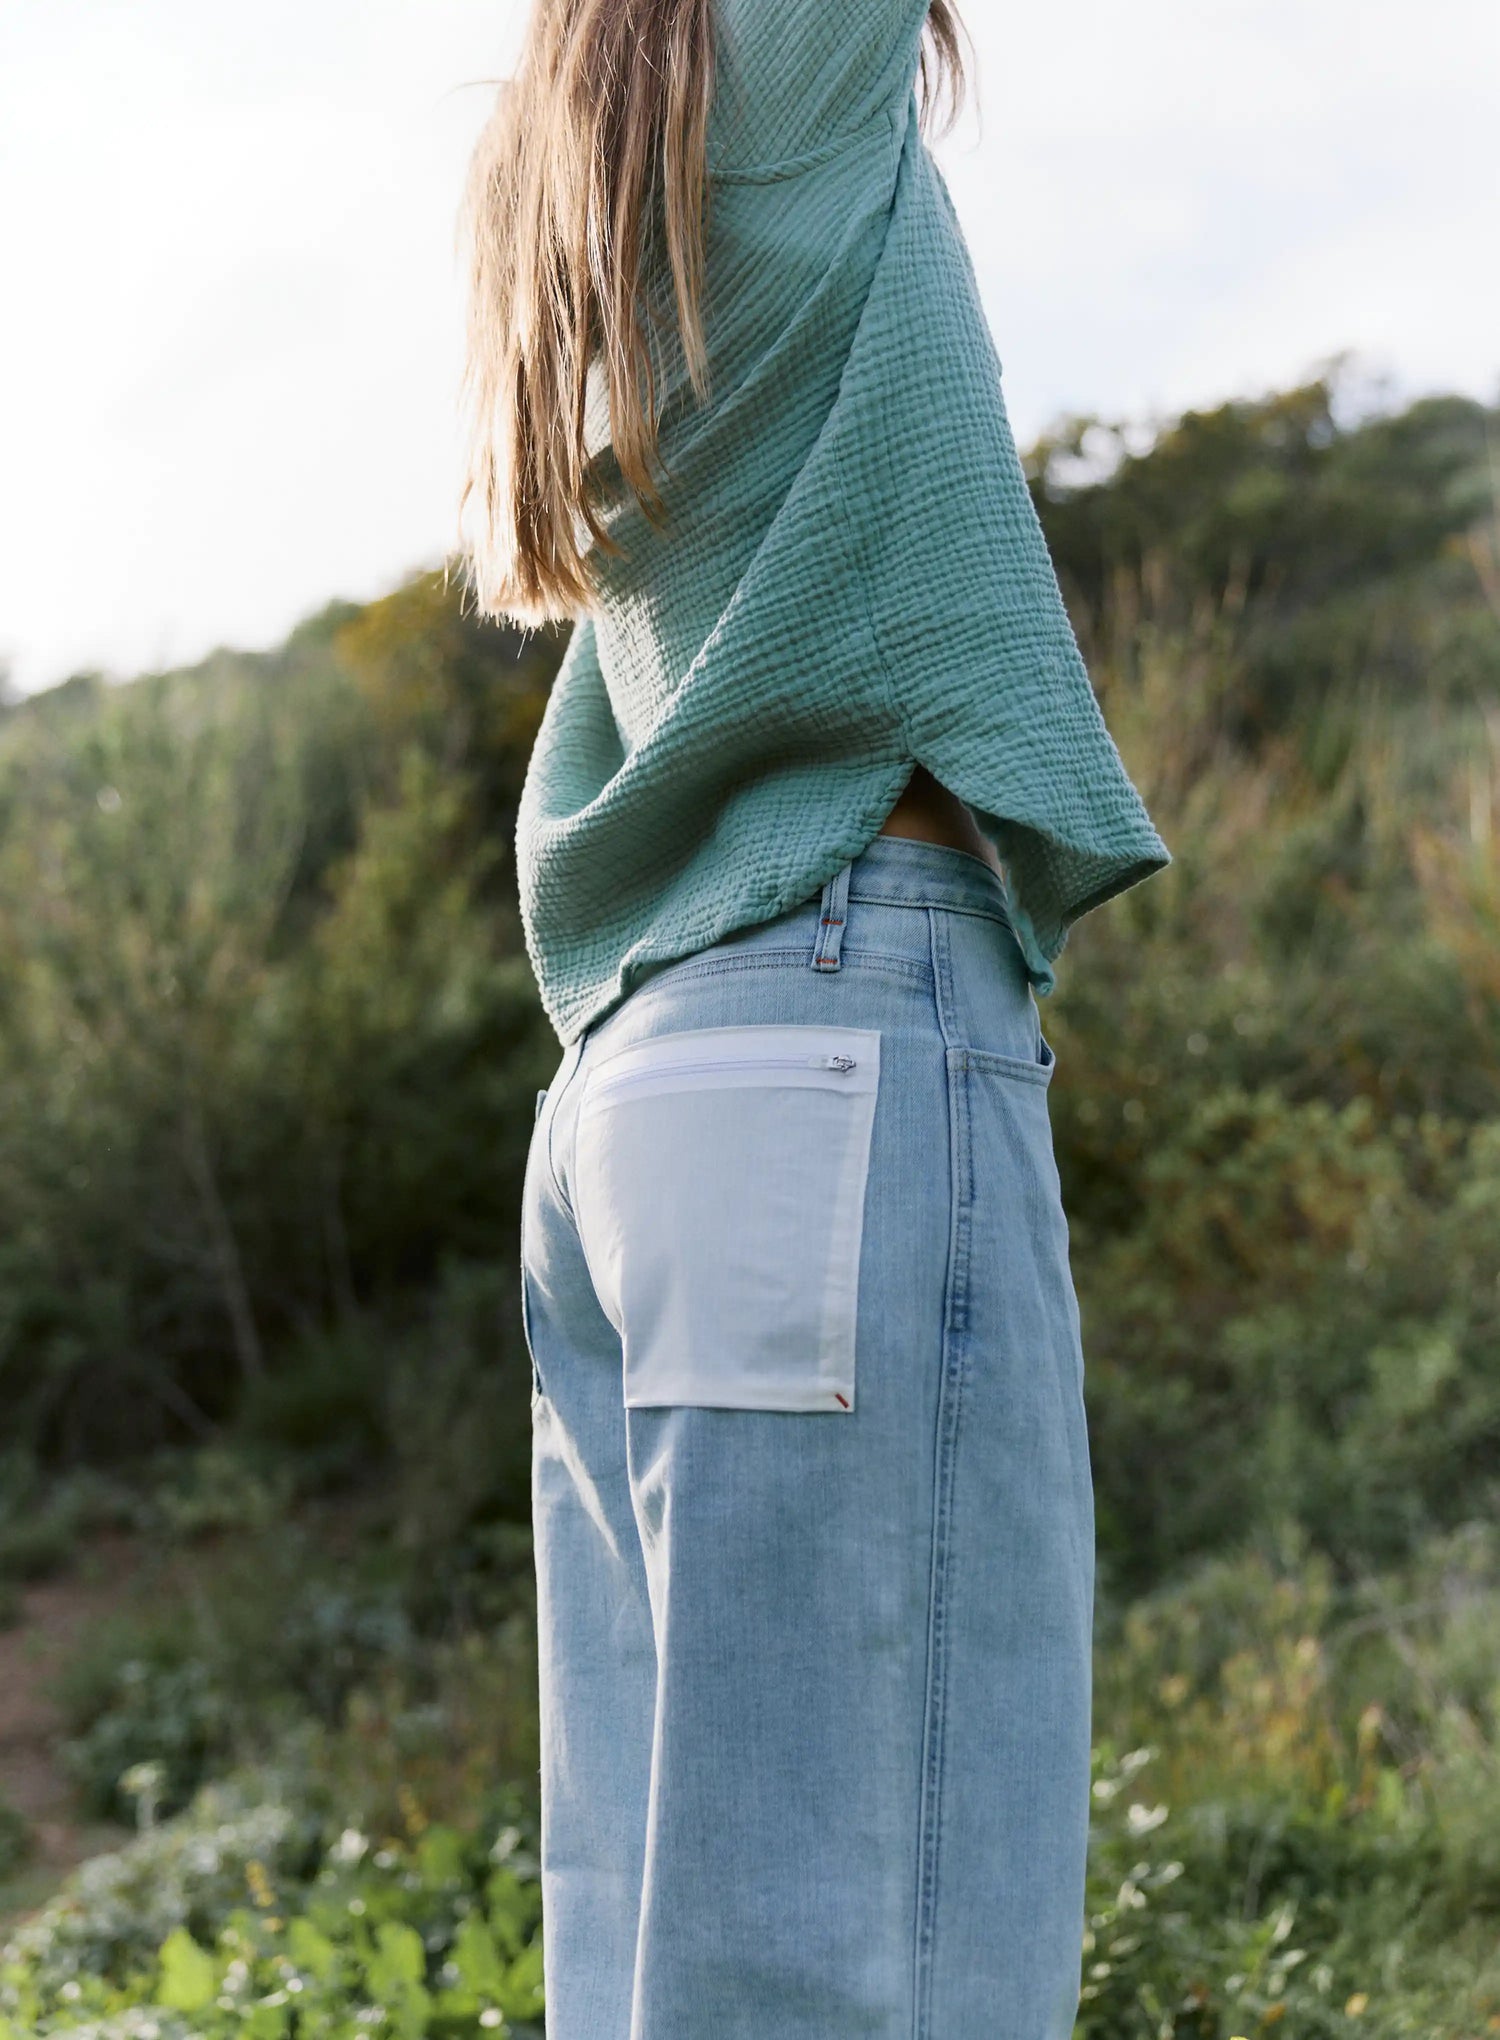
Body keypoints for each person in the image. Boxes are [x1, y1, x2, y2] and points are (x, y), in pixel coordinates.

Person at [458, 3, 1171, 2034]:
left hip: (652, 1089)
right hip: (834, 1025)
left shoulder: (586, 147)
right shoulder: (771, 73)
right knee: (886, 1964)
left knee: (684, 1951)